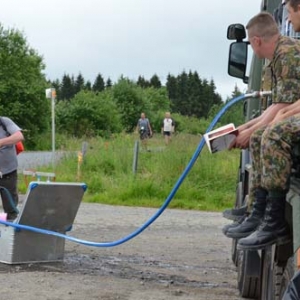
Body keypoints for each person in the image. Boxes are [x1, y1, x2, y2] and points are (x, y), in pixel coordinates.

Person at [222, 11, 300, 250]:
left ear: (256, 41)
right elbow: (279, 106)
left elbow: (283, 107)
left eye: (290, 11)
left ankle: (273, 220)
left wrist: (252, 129)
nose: (288, 18)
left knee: (271, 135)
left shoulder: (286, 53)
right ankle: (257, 212)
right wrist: (245, 129)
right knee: (259, 135)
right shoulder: (280, 54)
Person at [0, 116, 24, 221]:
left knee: (11, 209)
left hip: (8, 173)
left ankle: (12, 233)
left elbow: (19, 136)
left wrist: (1, 142)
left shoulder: (4, 122)